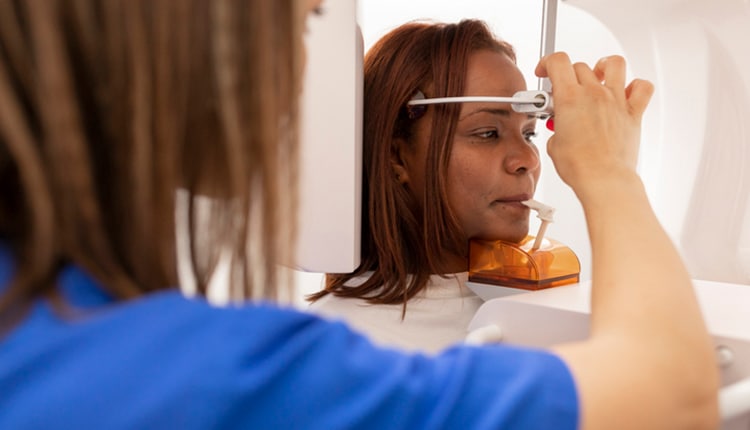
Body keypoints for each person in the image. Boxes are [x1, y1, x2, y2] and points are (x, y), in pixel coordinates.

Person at [0, 1, 718, 429]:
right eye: (302, 22)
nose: (527, 159)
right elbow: (673, 397)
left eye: (528, 131)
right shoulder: (258, 365)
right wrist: (609, 171)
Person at [309, 20, 543, 353]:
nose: (527, 159)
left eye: (529, 134)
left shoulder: (539, 308)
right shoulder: (340, 345)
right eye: (487, 133)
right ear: (397, 156)